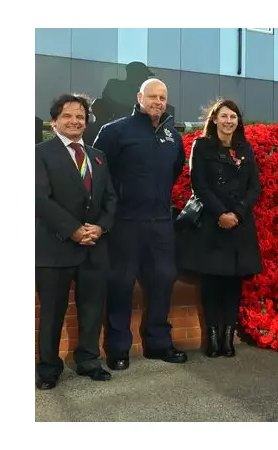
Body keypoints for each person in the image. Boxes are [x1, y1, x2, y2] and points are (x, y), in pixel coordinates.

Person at [93, 78, 187, 370]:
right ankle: (118, 348)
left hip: (160, 223)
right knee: (121, 283)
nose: (158, 102)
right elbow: (100, 177)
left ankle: (158, 344)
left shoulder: (173, 135)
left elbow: (174, 172)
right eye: (152, 96)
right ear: (140, 97)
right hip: (125, 223)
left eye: (162, 97)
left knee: (162, 281)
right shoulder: (115, 131)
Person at [35, 93, 117, 389]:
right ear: (54, 120)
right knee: (52, 312)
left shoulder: (97, 156)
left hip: (94, 247)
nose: (75, 121)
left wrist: (101, 227)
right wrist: (72, 229)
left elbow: (110, 198)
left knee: (93, 308)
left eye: (80, 116)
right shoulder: (39, 153)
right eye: (68, 115)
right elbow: (39, 199)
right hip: (54, 247)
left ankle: (89, 360)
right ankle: (48, 368)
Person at [177, 99, 262, 357]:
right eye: (224, 116)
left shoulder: (244, 148)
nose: (228, 121)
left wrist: (237, 213)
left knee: (233, 284)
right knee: (212, 282)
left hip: (239, 225)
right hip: (213, 225)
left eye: (233, 117)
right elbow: (199, 185)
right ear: (214, 119)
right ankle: (213, 335)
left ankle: (228, 337)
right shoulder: (201, 146)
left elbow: (254, 187)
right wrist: (221, 214)